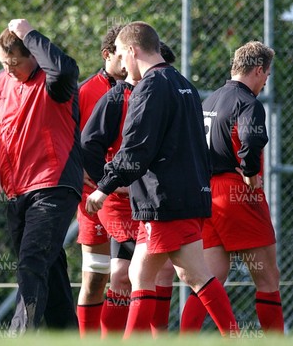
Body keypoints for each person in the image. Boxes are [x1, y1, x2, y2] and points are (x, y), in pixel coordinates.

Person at [85, 21, 239, 338]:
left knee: (171, 275)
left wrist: (104, 187)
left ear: (131, 50)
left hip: (163, 200)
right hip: (189, 195)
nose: (124, 67)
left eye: (122, 56)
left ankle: (233, 335)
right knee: (173, 274)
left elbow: (136, 149)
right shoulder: (183, 84)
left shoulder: (149, 89)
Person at [0, 18, 82, 334]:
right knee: (50, 269)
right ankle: (68, 335)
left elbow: (66, 69)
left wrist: (29, 33)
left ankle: (18, 335)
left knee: (32, 262)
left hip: (54, 184)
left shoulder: (54, 81)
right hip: (18, 191)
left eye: (15, 64)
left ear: (33, 54)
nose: (9, 70)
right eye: (4, 64)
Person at [180, 41, 283, 333]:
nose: (265, 82)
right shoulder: (248, 102)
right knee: (268, 278)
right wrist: (250, 172)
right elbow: (251, 141)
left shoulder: (210, 100)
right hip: (238, 194)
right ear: (259, 70)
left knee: (210, 278)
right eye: (266, 75)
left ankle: (183, 339)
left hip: (207, 195)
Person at [82, 42, 177, 338]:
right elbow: (88, 144)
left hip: (155, 198)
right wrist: (108, 182)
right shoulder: (116, 97)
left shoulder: (170, 95)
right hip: (121, 202)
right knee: (122, 274)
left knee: (162, 272)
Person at [74, 24, 126, 337]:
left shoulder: (143, 88)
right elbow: (71, 142)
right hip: (93, 194)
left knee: (129, 275)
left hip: (132, 196)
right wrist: (86, 174)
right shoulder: (85, 92)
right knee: (95, 276)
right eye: (123, 55)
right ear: (107, 55)